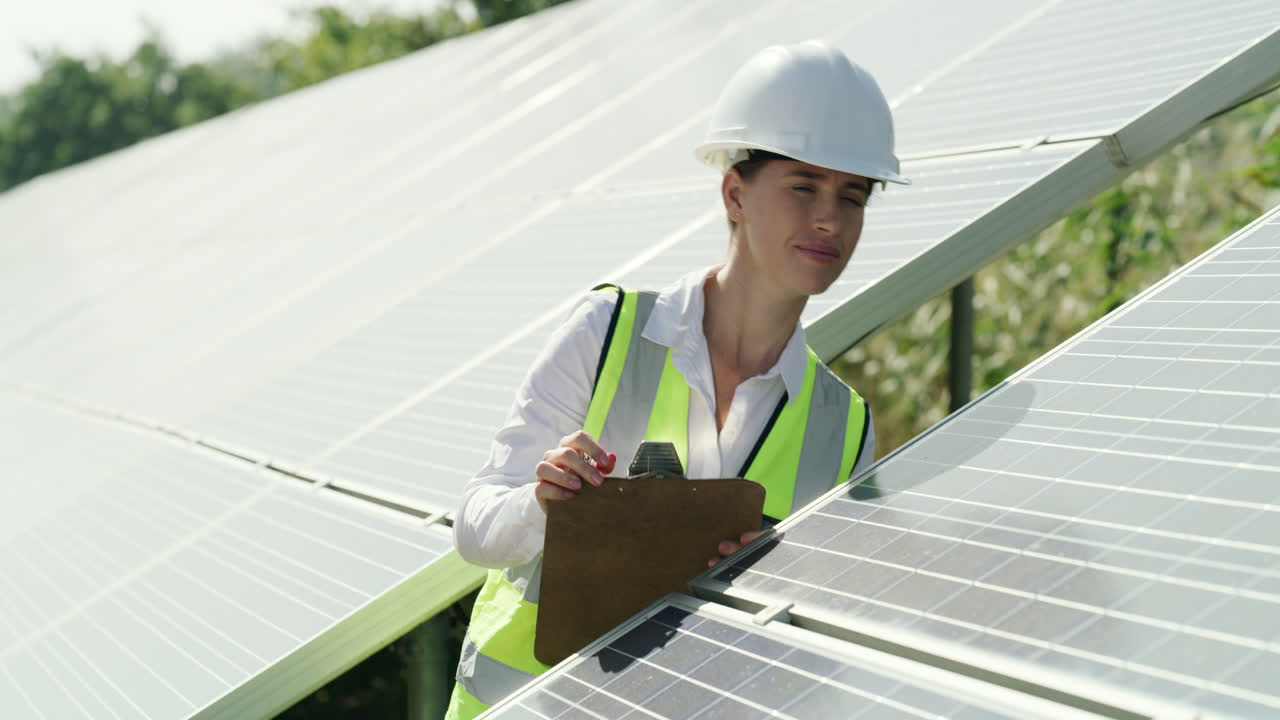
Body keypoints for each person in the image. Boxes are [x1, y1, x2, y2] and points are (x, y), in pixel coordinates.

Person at [444, 39, 909, 719]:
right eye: (803, 187)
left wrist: (779, 584)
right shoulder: (606, 333)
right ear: (734, 194)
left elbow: (825, 635)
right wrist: (545, 505)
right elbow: (475, 526)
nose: (828, 220)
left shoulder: (846, 427)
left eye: (853, 196)